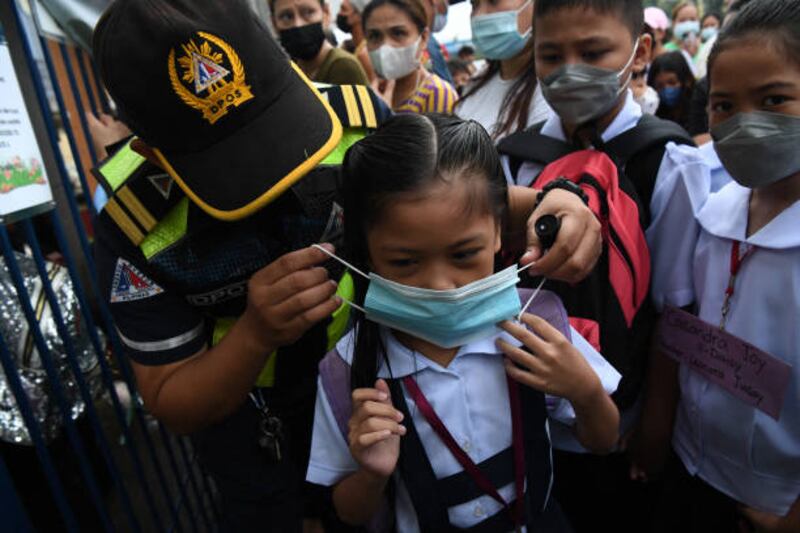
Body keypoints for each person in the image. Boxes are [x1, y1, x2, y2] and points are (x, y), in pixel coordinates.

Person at [91, 1, 603, 530]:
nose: (277, 175)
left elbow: (454, 203)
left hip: (378, 402)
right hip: (260, 444)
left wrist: (557, 201)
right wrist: (254, 334)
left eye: (275, 131)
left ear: (285, 68)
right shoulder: (137, 230)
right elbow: (173, 400)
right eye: (233, 160)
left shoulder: (351, 118)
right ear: (151, 152)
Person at [306, 113, 621, 531]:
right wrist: (372, 474)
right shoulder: (347, 370)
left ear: (499, 231)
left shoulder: (538, 326)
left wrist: (584, 391)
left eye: (463, 255)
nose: (440, 285)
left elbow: (603, 440)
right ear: (366, 252)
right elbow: (349, 511)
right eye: (404, 261)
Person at [497, 0, 701, 530]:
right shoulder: (516, 157)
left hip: (622, 423)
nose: (569, 71)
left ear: (640, 52)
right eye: (551, 55)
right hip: (527, 418)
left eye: (592, 52)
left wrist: (655, 427)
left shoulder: (669, 163)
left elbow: (675, 312)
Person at [636, 1, 800, 531]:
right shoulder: (711, 208)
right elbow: (677, 326)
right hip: (689, 466)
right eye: (724, 106)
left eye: (774, 99)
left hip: (769, 503)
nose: (744, 124)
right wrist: (659, 428)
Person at [455, 0, 551, 141]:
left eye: (494, 1)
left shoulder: (552, 93)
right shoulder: (476, 81)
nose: (479, 15)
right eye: (474, 5)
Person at [363, 0, 459, 113]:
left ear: (423, 38)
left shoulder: (438, 94)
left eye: (398, 33)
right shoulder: (368, 95)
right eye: (374, 36)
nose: (385, 46)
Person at [271, 0, 370, 85]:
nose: (298, 24)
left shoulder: (343, 66)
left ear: (326, 13)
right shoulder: (291, 71)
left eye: (309, 12)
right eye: (286, 17)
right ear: (274, 23)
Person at [648, 51, 696, 131]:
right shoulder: (653, 114)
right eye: (660, 86)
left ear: (687, 81)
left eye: (672, 82)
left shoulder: (699, 111)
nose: (667, 89)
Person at [336, 0, 378, 81]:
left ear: (359, 15)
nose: (339, 14)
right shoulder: (347, 46)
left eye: (344, 9)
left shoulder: (365, 53)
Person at [664, 1, 700, 75]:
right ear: (674, 23)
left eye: (692, 19)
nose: (688, 24)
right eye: (682, 20)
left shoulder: (705, 49)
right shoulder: (666, 50)